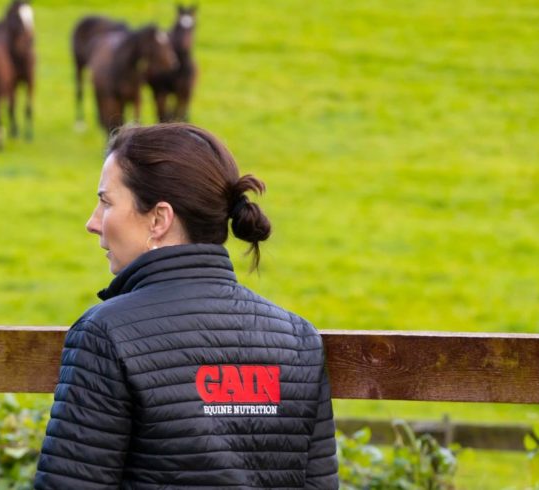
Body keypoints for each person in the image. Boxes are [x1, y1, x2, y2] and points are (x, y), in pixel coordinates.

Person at [34, 123, 337, 488]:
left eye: (106, 202)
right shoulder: (298, 339)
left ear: (159, 219)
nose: (93, 222)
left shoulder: (105, 334)